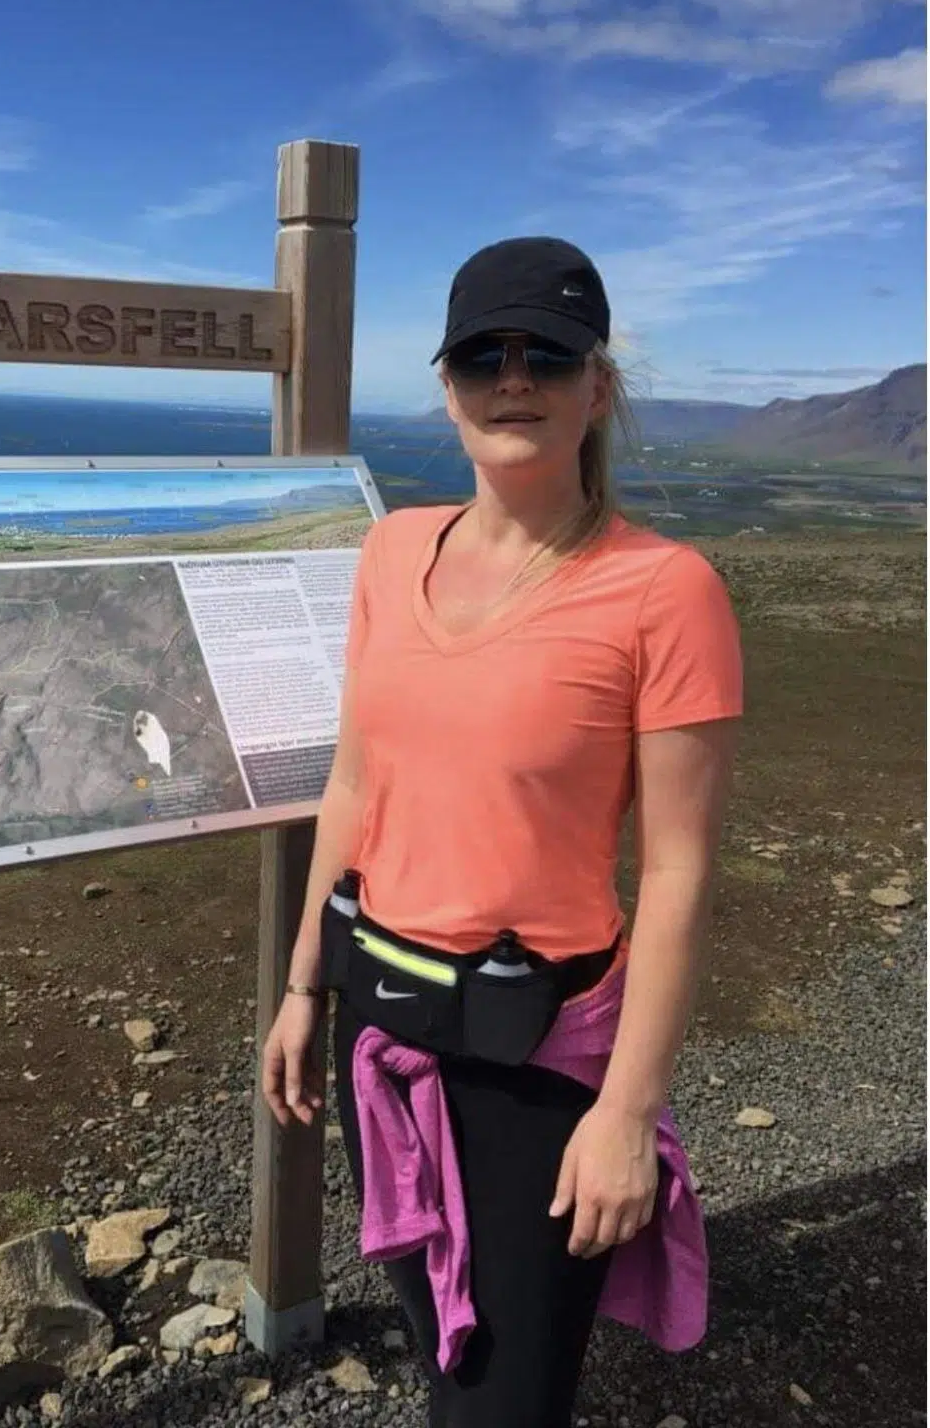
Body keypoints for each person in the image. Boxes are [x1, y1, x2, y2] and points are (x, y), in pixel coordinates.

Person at [261, 236, 744, 1427]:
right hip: (388, 1025)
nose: (513, 377)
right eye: (484, 354)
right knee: (441, 1358)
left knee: (505, 1399)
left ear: (599, 385)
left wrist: (628, 1112)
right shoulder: (390, 550)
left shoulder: (665, 590)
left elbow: (677, 874)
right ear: (446, 383)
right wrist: (304, 989)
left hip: (541, 1064)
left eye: (548, 353)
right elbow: (356, 785)